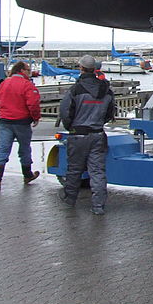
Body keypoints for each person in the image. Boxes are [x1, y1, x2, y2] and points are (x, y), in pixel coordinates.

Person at [58, 54, 116, 215]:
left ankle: (70, 199)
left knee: (74, 169)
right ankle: (98, 206)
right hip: (97, 134)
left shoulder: (75, 90)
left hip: (78, 134)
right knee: (97, 171)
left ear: (81, 68)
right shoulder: (106, 90)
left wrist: (72, 127)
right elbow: (110, 113)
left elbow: (65, 112)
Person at [0, 61, 42, 191]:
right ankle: (27, 175)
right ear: (21, 71)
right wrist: (35, 118)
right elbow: (33, 104)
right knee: (24, 149)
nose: (29, 72)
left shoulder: (4, 83)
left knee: (3, 149)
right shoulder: (27, 85)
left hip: (5, 121)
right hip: (22, 121)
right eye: (28, 70)